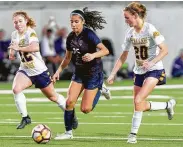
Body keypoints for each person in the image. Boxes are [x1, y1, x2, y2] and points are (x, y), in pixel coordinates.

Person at [107, 2, 176, 144]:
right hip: (138, 72)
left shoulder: (150, 29)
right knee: (139, 105)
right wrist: (113, 73)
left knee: (138, 100)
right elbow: (123, 56)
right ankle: (167, 105)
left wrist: (152, 62)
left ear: (135, 15)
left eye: (127, 18)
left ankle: (132, 135)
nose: (125, 21)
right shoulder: (130, 33)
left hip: (154, 70)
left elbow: (165, 49)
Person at [8, 11, 78, 130]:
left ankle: (71, 114)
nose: (18, 24)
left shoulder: (30, 32)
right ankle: (25, 117)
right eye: (15, 22)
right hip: (25, 69)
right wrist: (11, 53)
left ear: (26, 21)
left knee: (53, 97)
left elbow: (35, 47)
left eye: (20, 21)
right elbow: (13, 45)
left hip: (39, 71)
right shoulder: (14, 34)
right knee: (16, 89)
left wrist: (18, 48)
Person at [52, 7, 111, 140]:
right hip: (78, 73)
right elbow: (67, 58)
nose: (73, 24)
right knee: (69, 102)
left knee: (85, 109)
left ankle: (100, 88)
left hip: (93, 74)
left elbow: (105, 50)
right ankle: (68, 133)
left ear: (82, 22)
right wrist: (58, 72)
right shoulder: (70, 37)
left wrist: (93, 55)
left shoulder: (89, 34)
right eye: (71, 22)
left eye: (76, 21)